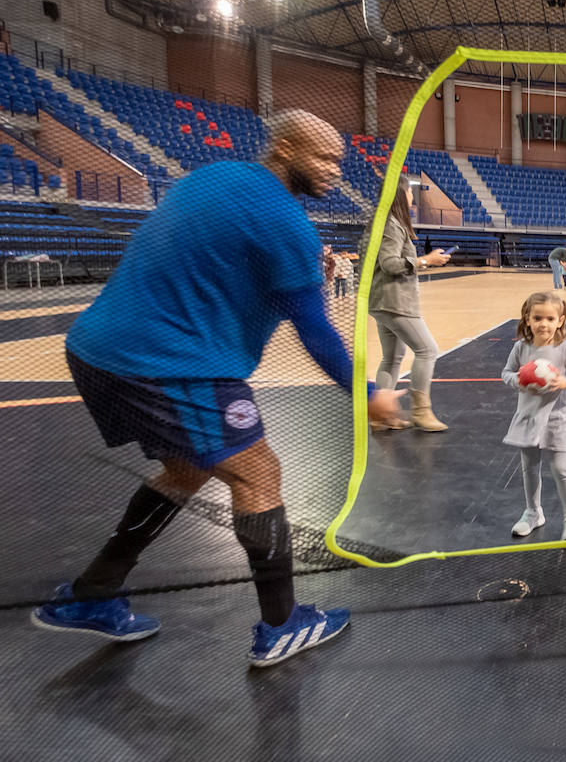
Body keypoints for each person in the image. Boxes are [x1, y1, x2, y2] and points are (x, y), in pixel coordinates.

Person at [37, 109, 401, 667]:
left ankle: (93, 594)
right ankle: (282, 625)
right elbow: (316, 333)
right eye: (323, 156)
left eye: (338, 159)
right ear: (283, 149)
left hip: (95, 350)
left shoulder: (209, 177)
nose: (334, 170)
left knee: (187, 469)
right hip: (170, 363)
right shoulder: (287, 224)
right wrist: (368, 392)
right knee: (259, 473)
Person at [502, 292, 566, 540]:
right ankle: (533, 513)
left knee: (561, 468)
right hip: (528, 417)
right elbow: (506, 373)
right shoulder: (520, 348)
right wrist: (520, 380)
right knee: (529, 468)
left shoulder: (565, 348)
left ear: (561, 320)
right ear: (527, 318)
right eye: (537, 317)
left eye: (550, 318)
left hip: (558, 420)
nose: (543, 323)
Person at [370, 184, 451, 432]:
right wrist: (426, 259)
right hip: (395, 301)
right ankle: (420, 412)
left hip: (384, 301)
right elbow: (390, 264)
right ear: (399, 195)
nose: (411, 197)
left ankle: (380, 414)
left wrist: (426, 262)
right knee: (427, 350)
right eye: (408, 192)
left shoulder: (388, 222)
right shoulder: (391, 224)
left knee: (392, 358)